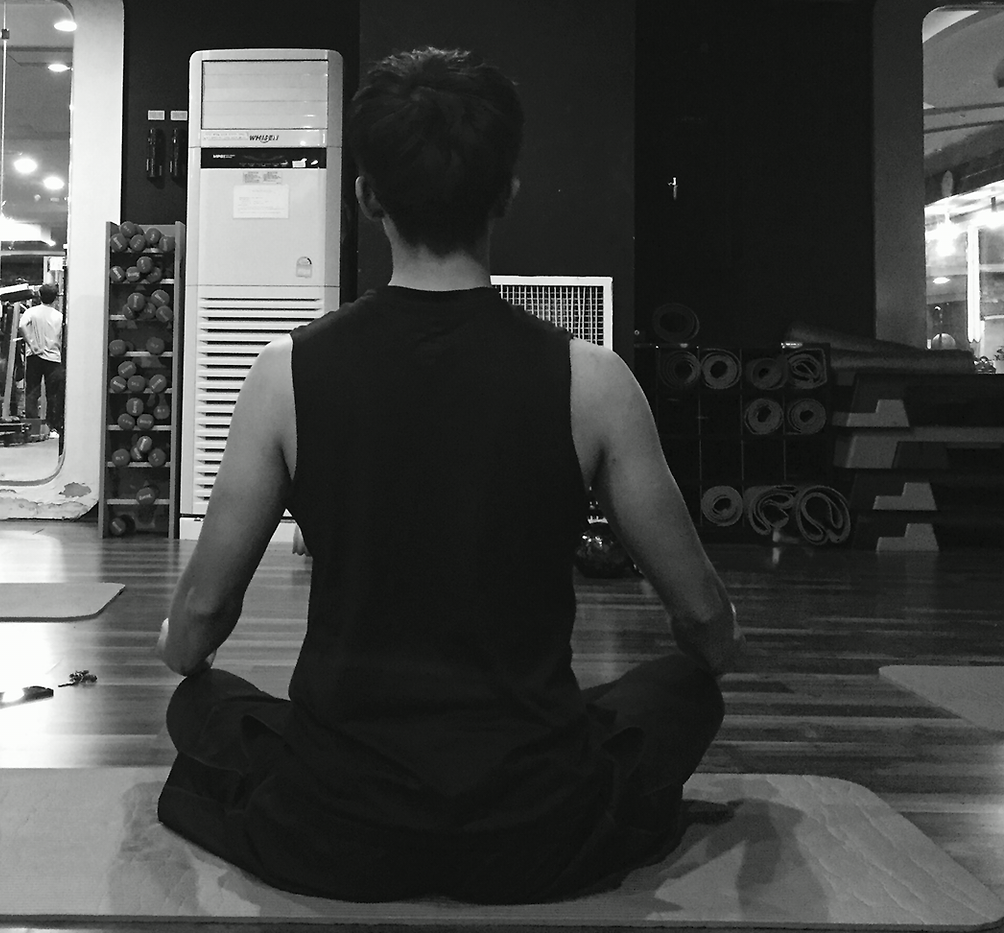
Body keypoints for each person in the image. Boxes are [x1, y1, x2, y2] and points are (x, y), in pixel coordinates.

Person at [156, 46, 747, 903]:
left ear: (366, 197)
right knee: (684, 693)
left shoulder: (283, 374)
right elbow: (702, 618)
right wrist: (716, 654)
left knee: (201, 704)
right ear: (506, 193)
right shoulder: (594, 380)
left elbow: (204, 616)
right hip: (537, 832)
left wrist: (178, 652)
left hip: (335, 830)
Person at [17, 284, 65, 439]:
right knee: (54, 394)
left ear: (39, 295)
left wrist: (32, 344)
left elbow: (22, 325)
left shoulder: (31, 312)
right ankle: (53, 427)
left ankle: (32, 427)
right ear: (56, 298)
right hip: (54, 358)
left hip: (34, 356)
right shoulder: (59, 316)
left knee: (32, 391)